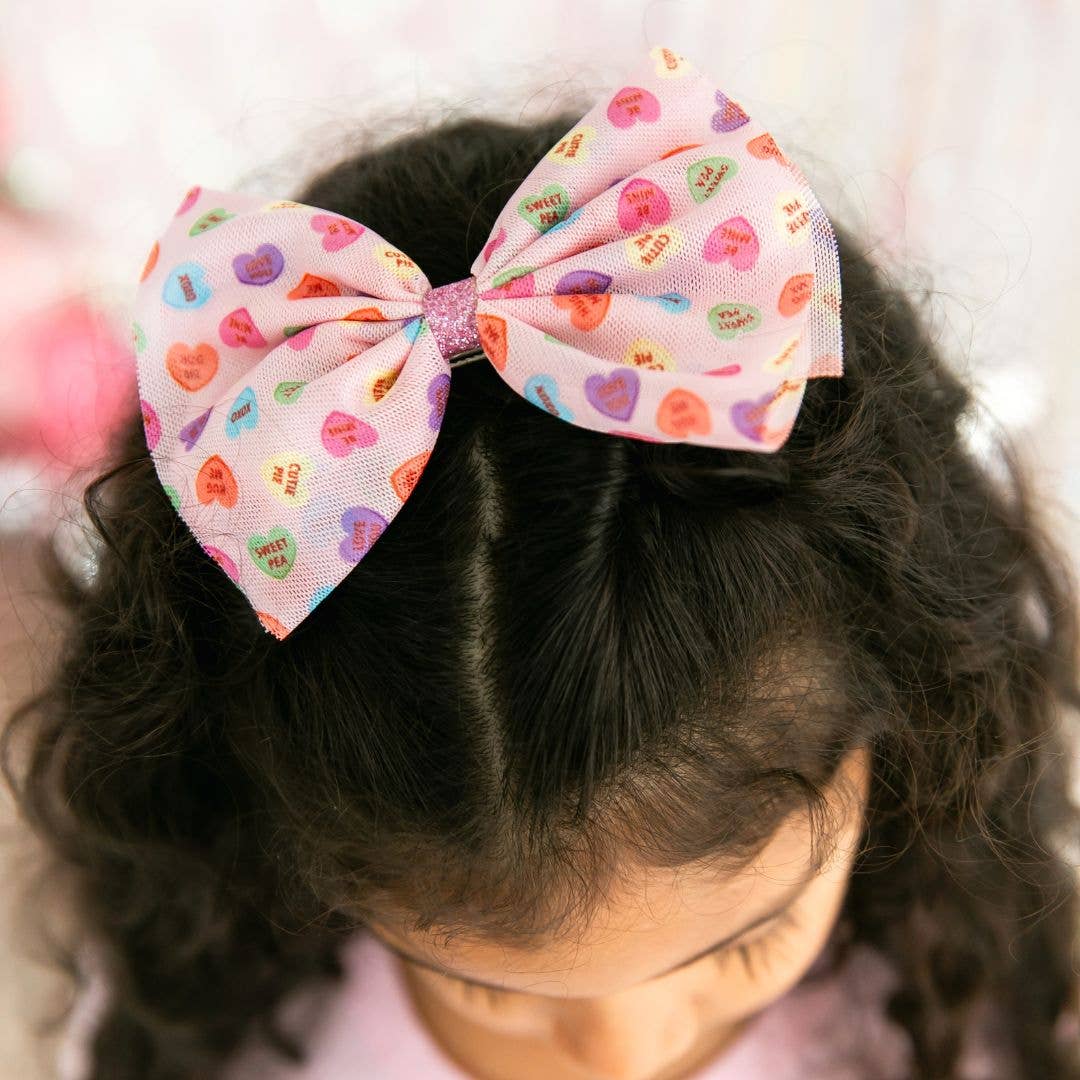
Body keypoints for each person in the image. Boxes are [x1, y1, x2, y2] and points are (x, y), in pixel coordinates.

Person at [3, 49, 1080, 1080]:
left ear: (904, 732)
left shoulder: (979, 1013)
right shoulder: (227, 1039)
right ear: (294, 845)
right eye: (481, 986)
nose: (624, 1056)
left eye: (744, 944)